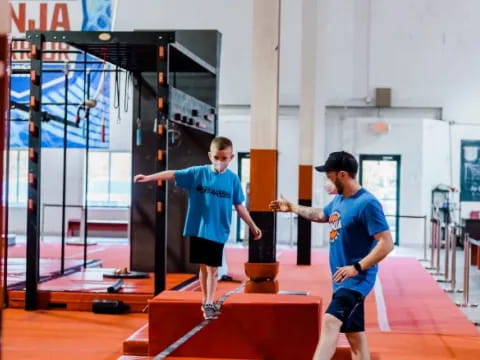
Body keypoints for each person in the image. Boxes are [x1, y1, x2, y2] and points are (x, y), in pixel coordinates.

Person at [269, 151, 394, 360]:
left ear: (342, 174)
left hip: (356, 281)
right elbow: (320, 214)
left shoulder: (367, 204)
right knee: (356, 338)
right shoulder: (338, 200)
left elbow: (386, 243)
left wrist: (357, 267)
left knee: (330, 321)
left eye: (329, 176)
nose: (327, 181)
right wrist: (292, 207)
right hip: (341, 280)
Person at [134, 136, 262, 320]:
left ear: (231, 157)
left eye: (224, 158)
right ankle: (205, 300)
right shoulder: (198, 173)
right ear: (210, 156)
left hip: (218, 230)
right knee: (204, 267)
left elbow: (239, 205)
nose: (220, 162)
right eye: (217, 157)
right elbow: (173, 173)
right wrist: (148, 178)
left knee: (213, 269)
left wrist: (252, 225)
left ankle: (209, 302)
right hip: (199, 227)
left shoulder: (233, 179)